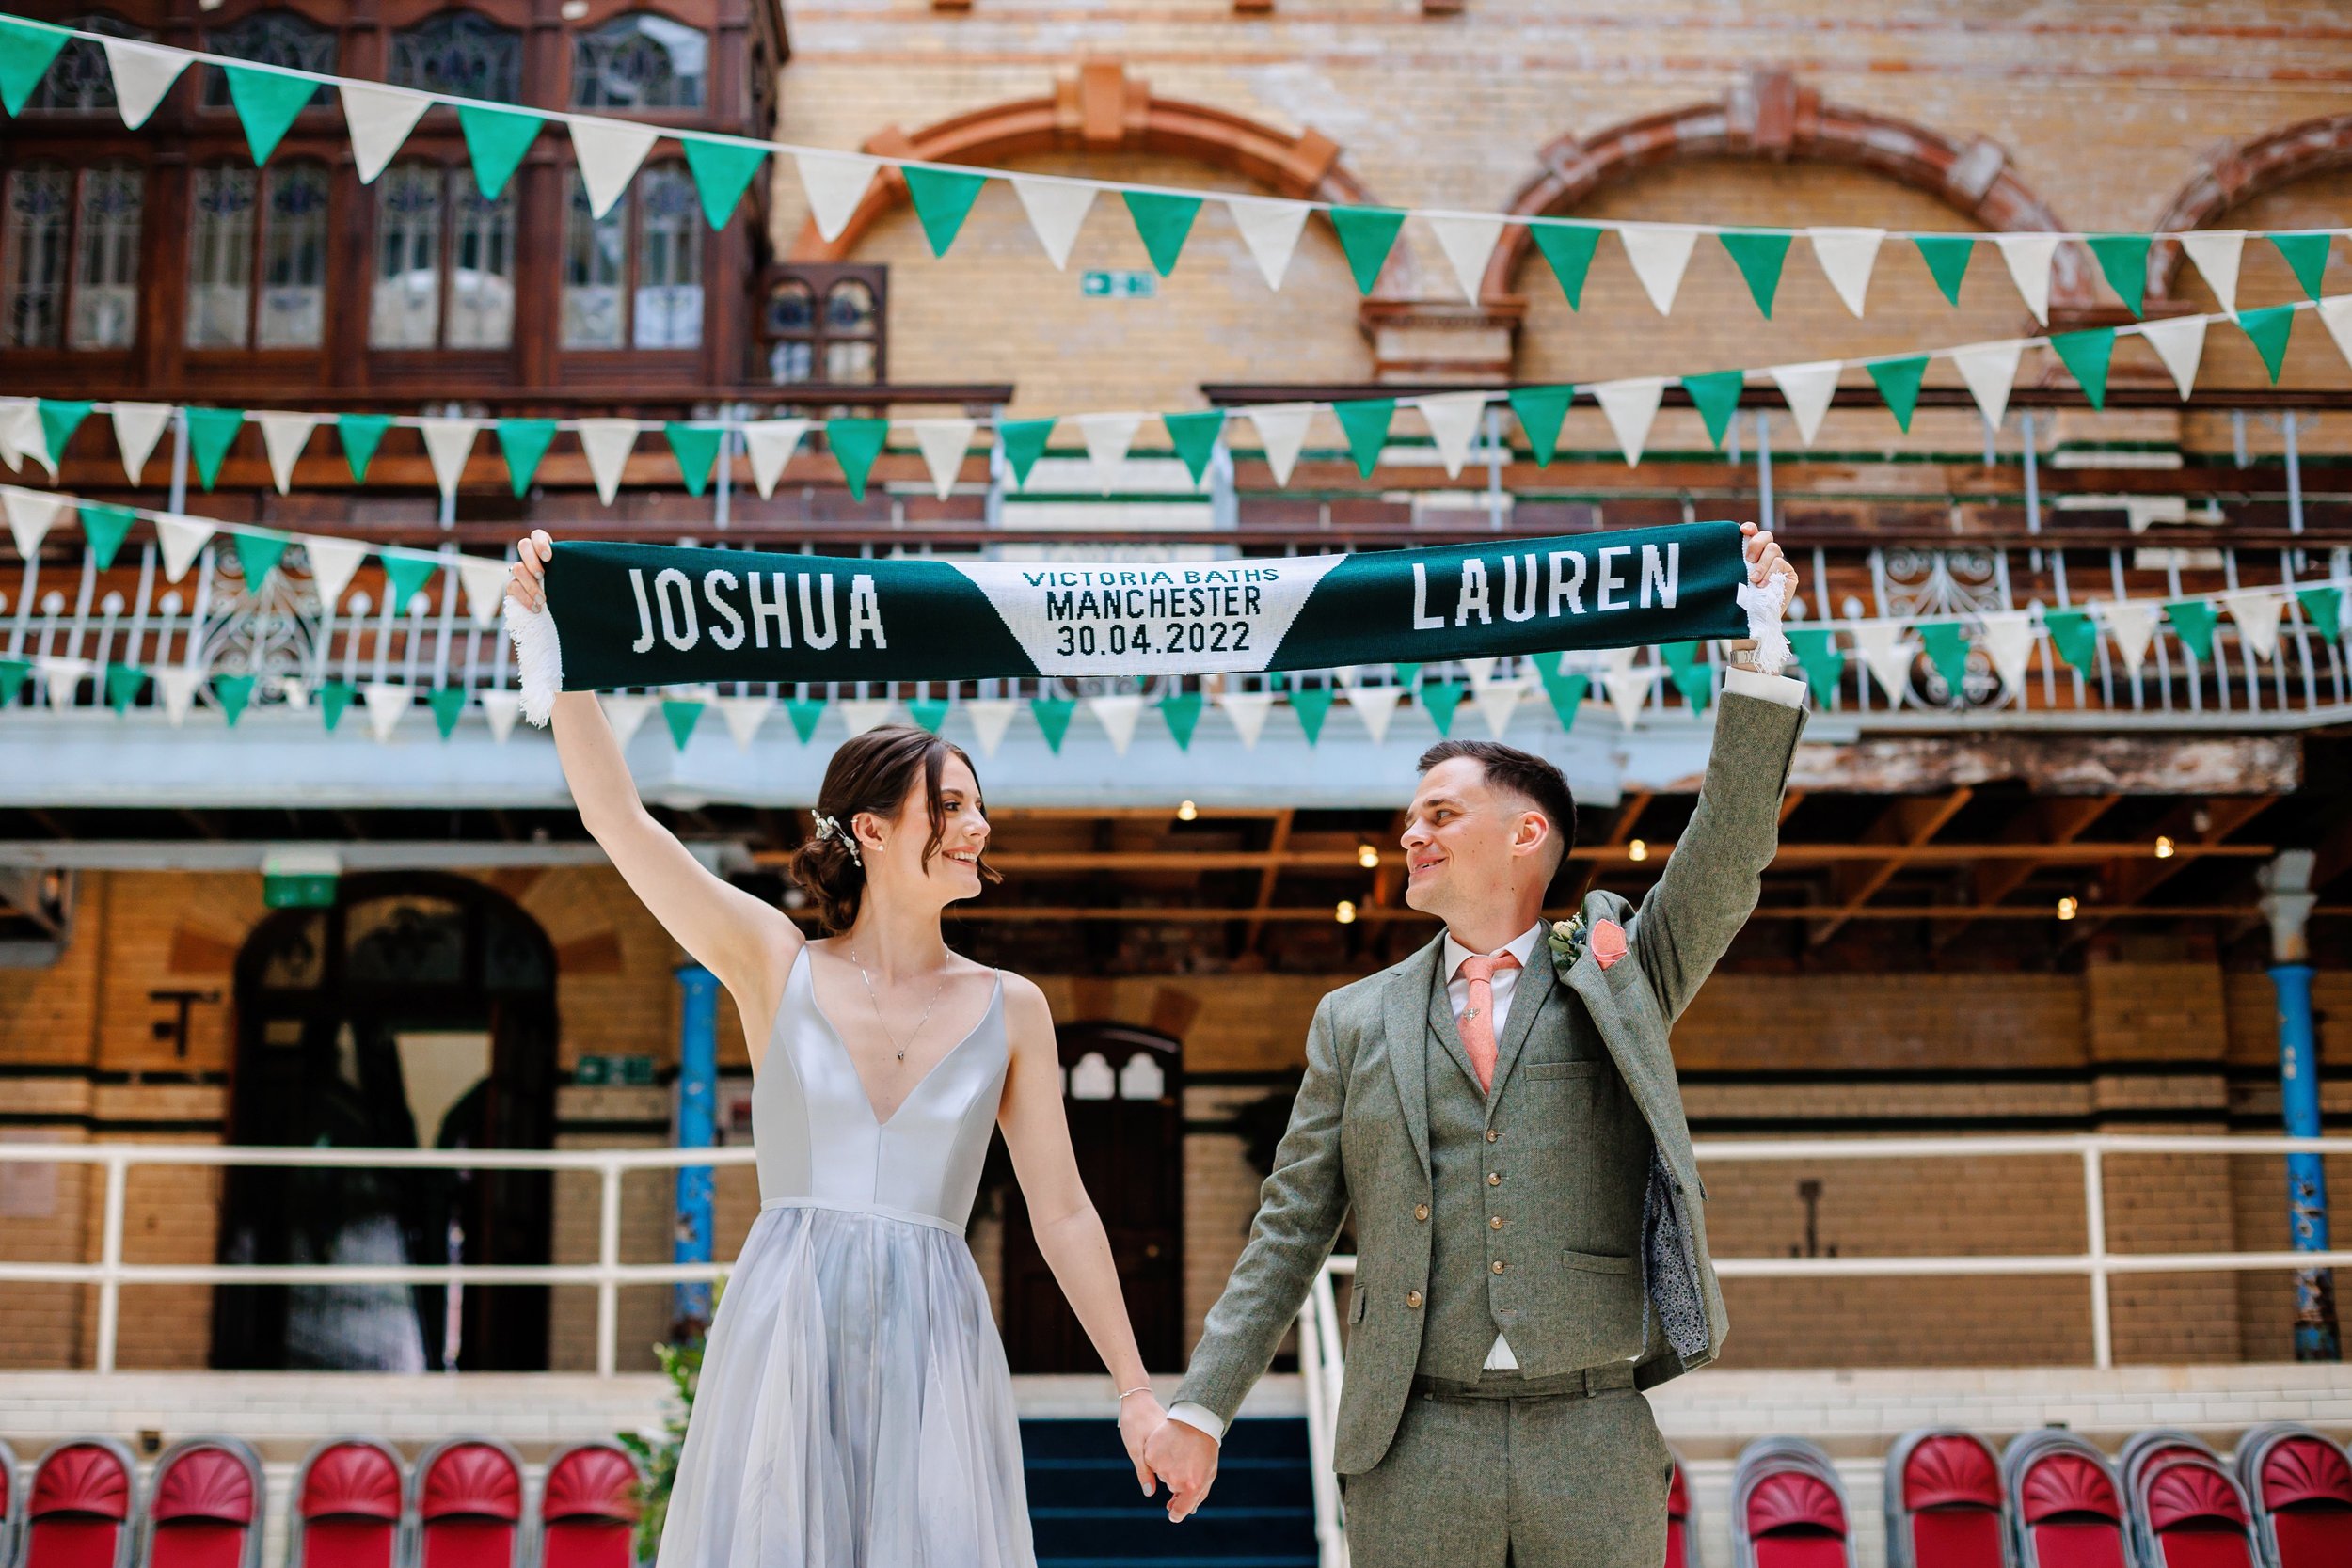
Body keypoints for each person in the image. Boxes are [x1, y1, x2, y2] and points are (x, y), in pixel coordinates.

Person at [1145, 524, 1805, 1568]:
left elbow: (1726, 850)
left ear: (1526, 832)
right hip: (1413, 1440)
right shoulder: (1350, 1019)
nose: (1412, 833)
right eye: (1410, 817)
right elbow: (1287, 1231)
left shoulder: (1621, 970)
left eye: (1440, 813)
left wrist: (1756, 655)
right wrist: (1202, 1405)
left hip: (1589, 1430)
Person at [508, 529, 1168, 1568]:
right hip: (788, 1318)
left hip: (936, 1333)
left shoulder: (1015, 1006)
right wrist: (563, 638)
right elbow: (620, 819)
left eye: (978, 806)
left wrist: (1136, 1392)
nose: (977, 825)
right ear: (867, 826)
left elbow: (1066, 1209)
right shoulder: (772, 960)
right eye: (949, 804)